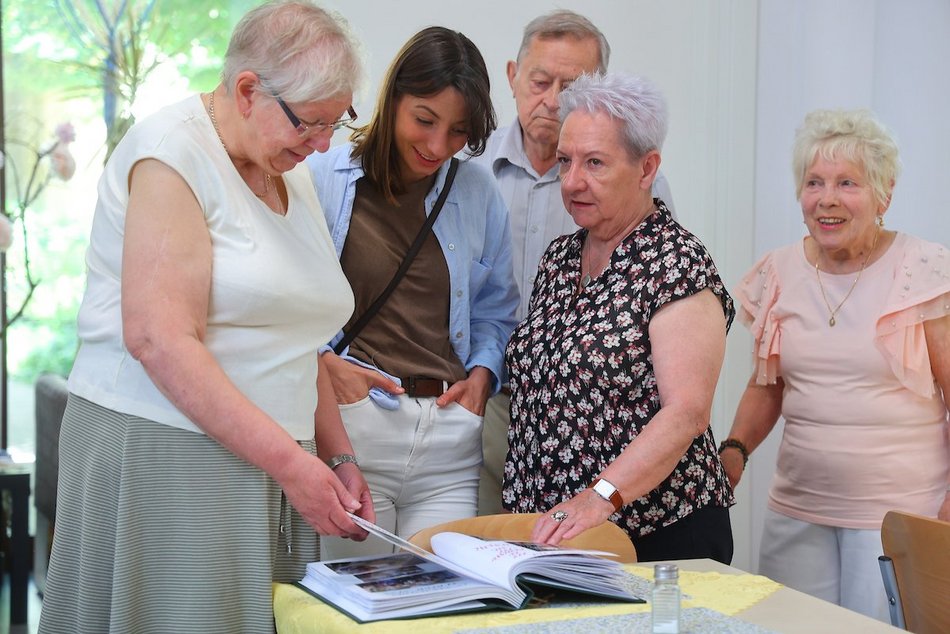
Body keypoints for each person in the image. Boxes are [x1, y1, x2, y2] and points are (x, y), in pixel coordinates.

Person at [38, 3, 375, 632]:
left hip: (269, 461)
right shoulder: (172, 155)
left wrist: (336, 458)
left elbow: (297, 338)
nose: (324, 143)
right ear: (249, 90)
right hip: (164, 452)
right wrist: (293, 464)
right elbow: (159, 339)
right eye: (312, 123)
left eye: (338, 121)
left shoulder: (285, 163)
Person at [720, 108, 950, 622]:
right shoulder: (779, 271)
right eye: (814, 182)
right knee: (787, 628)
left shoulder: (923, 269)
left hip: (897, 515)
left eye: (848, 183)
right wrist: (732, 452)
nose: (827, 199)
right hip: (797, 507)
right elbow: (768, 385)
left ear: (884, 194)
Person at [502, 72, 735, 564]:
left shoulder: (675, 263)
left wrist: (598, 496)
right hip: (558, 538)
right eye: (565, 161)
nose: (571, 181)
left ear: (646, 168)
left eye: (595, 164)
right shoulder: (561, 259)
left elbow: (686, 413)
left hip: (655, 535)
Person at [307, 27, 519, 558]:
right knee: (356, 608)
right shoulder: (321, 178)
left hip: (450, 437)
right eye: (425, 120)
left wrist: (482, 377)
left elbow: (497, 309)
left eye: (458, 132)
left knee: (444, 608)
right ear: (394, 94)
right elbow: (284, 307)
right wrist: (321, 364)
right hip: (355, 426)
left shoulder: (477, 192)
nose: (437, 145)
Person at [472, 10, 676, 516]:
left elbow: (662, 294)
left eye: (573, 85)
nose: (554, 100)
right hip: (484, 395)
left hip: (589, 414)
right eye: (541, 81)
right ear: (513, 76)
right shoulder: (469, 172)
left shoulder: (638, 187)